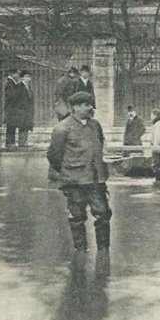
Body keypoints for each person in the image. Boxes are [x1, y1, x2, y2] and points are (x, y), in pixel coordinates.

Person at [46, 91, 112, 251]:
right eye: (86, 105)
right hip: (74, 181)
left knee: (103, 214)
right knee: (77, 217)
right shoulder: (62, 128)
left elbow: (99, 146)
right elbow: (54, 156)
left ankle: (103, 251)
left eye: (91, 105)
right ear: (75, 107)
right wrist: (69, 171)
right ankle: (80, 251)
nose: (90, 108)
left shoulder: (95, 125)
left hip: (96, 179)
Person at [3, 68, 26, 149]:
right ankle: (10, 143)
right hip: (11, 108)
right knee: (11, 126)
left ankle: (11, 143)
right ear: (13, 74)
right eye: (17, 74)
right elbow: (12, 95)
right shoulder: (10, 83)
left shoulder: (11, 83)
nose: (18, 75)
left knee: (12, 125)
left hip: (12, 108)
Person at [149, 108, 160, 181]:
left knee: (157, 165)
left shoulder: (157, 125)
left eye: (151, 115)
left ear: (155, 115)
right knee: (159, 164)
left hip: (157, 148)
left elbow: (157, 137)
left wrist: (155, 147)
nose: (150, 117)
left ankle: (158, 180)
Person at [18, 69, 35, 147]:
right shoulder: (20, 86)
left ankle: (24, 141)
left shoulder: (28, 87)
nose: (29, 79)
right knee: (23, 125)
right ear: (22, 77)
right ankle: (22, 141)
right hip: (22, 109)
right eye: (27, 77)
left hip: (28, 109)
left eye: (29, 77)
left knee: (26, 125)